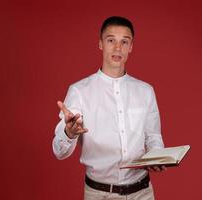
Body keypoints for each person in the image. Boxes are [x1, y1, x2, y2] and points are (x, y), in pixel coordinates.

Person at [53, 16, 166, 200]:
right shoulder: (80, 91)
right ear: (100, 44)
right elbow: (59, 152)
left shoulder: (146, 91)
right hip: (100, 194)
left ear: (131, 47)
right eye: (111, 40)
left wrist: (157, 157)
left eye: (124, 42)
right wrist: (69, 132)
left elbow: (153, 137)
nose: (117, 48)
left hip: (143, 193)